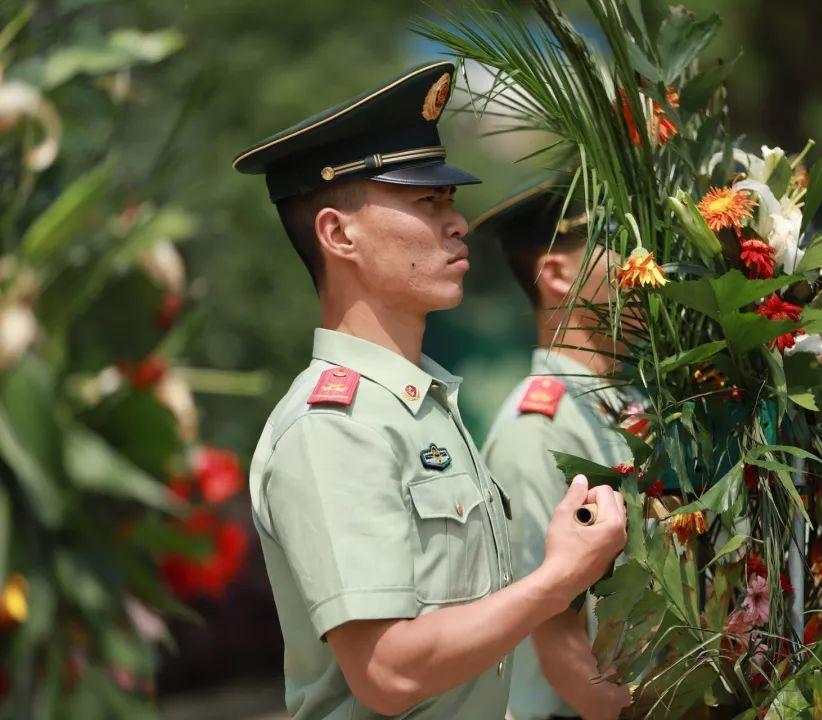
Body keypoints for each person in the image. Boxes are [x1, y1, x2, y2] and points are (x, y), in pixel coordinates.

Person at [233, 63, 627, 720]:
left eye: (449, 200)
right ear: (338, 234)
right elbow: (388, 671)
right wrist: (560, 578)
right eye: (427, 203)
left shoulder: (419, 408)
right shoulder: (335, 425)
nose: (458, 223)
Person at [475, 180, 635, 720]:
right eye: (619, 245)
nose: (644, 265)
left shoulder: (615, 405)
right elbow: (557, 641)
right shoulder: (540, 427)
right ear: (558, 275)